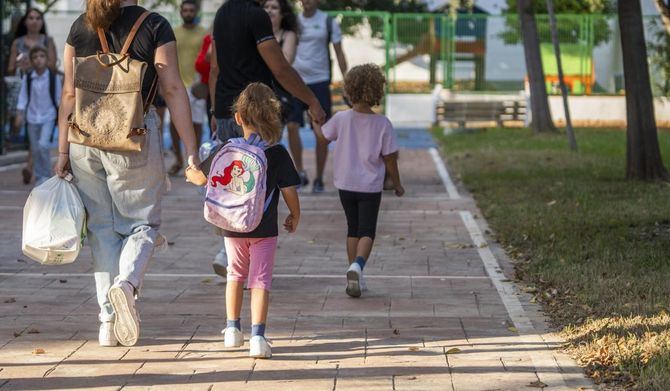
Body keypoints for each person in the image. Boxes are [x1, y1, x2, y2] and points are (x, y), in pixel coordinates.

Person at [55, 0, 200, 347]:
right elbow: (172, 88)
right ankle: (127, 284)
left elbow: (68, 93)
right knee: (142, 224)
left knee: (102, 229)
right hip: (133, 135)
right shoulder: (154, 25)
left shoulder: (80, 24)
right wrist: (191, 150)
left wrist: (62, 152)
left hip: (84, 138)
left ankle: (107, 322)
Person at [208, 0, 325, 277]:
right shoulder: (256, 16)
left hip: (226, 111)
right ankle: (244, 258)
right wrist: (312, 101)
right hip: (256, 112)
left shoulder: (223, 12)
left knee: (233, 186)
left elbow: (215, 68)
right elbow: (280, 68)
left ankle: (229, 252)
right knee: (261, 186)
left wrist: (215, 108)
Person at [194, 83, 301, 359]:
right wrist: (294, 214)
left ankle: (232, 330)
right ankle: (258, 337)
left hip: (231, 226)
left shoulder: (227, 148)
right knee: (260, 280)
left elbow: (201, 178)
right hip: (264, 229)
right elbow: (289, 191)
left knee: (234, 275)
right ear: (273, 118)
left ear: (238, 118)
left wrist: (191, 170)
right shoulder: (277, 153)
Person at [319, 64, 404, 298]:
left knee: (352, 228)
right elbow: (390, 159)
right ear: (377, 90)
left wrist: (315, 121)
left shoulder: (341, 118)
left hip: (345, 184)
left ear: (349, 90)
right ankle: (358, 265)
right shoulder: (383, 124)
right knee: (367, 230)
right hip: (369, 186)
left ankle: (354, 275)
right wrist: (397, 184)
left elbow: (323, 137)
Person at [287, 0, 348, 193]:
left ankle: (319, 178)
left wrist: (347, 81)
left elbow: (339, 53)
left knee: (321, 133)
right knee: (291, 126)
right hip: (295, 81)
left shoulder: (328, 22)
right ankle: (299, 172)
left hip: (319, 82)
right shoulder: (292, 21)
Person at [7, 8, 59, 185]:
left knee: (40, 143)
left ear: (42, 22)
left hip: (44, 92)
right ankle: (37, 170)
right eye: (31, 18)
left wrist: (34, 64)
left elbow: (52, 65)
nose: (35, 21)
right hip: (24, 88)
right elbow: (10, 68)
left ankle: (35, 170)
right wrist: (19, 65)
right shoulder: (17, 42)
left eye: (38, 18)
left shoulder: (48, 41)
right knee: (33, 138)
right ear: (25, 21)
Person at [168, 0, 207, 176]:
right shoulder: (173, 33)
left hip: (196, 85)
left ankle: (194, 160)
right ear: (181, 12)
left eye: (191, 10)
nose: (188, 13)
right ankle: (178, 159)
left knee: (197, 123)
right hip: (177, 85)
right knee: (173, 125)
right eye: (185, 10)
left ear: (196, 12)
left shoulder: (204, 34)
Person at [14, 46, 61, 186]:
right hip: (32, 117)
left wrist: (62, 117)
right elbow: (23, 97)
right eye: (35, 57)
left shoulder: (53, 78)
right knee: (35, 148)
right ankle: (40, 177)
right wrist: (19, 115)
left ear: (46, 59)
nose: (38, 60)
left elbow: (59, 98)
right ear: (32, 61)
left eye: (41, 56)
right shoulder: (28, 78)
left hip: (49, 116)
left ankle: (47, 176)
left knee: (43, 145)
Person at [262, 0, 299, 122]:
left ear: (282, 14)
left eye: (274, 7)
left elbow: (286, 63)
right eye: (266, 7)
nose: (269, 10)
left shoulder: (288, 35)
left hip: (278, 92)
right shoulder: (256, 33)